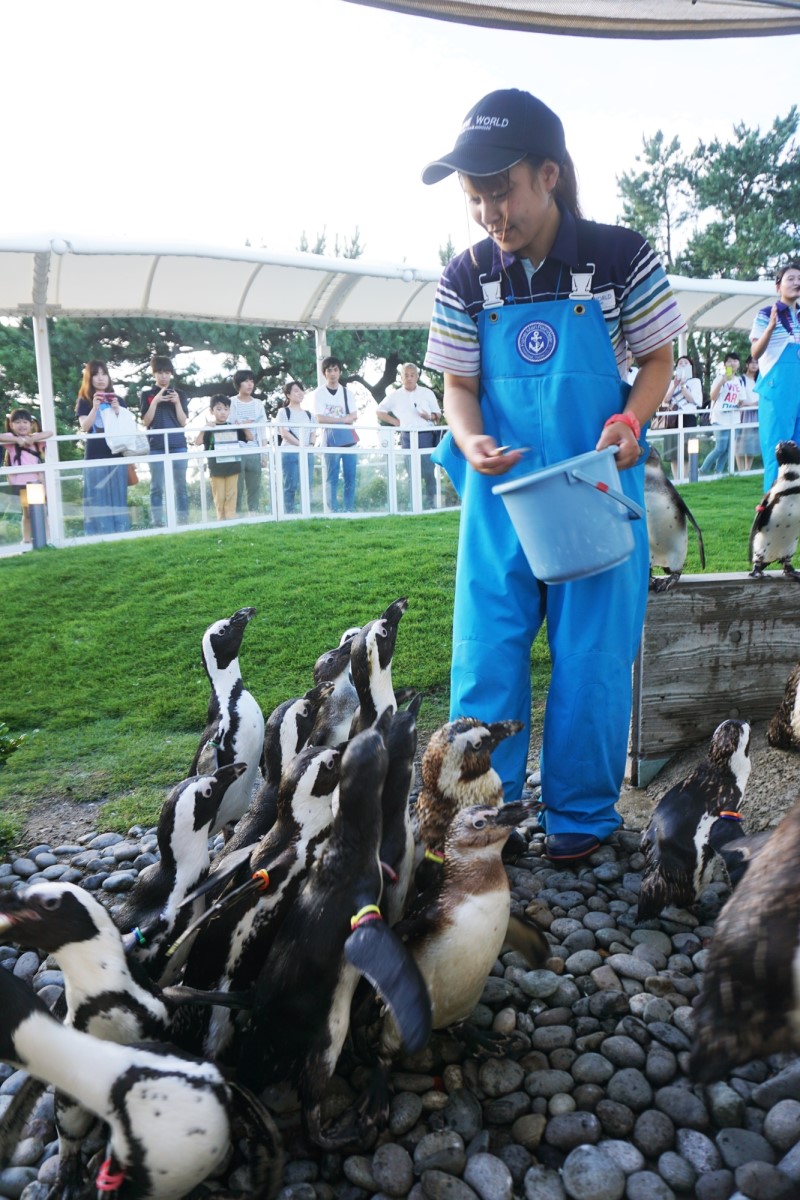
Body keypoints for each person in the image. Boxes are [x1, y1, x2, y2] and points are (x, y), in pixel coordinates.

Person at [422, 88, 683, 864]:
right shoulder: (464, 279)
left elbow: (658, 359)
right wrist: (469, 441)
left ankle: (581, 820)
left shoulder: (619, 256)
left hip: (595, 489)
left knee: (594, 658)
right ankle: (478, 822)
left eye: (499, 191)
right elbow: (458, 387)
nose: (488, 213)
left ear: (549, 175)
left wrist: (629, 422)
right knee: (486, 656)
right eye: (475, 198)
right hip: (500, 499)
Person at [750, 262, 800, 490]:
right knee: (777, 453)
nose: (797, 283)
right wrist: (770, 327)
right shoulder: (764, 314)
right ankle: (771, 510)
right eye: (791, 278)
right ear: (778, 286)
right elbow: (755, 353)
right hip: (776, 391)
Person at [75, 361, 132, 535]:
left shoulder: (118, 399)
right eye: (96, 374)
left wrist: (117, 410)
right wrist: (95, 407)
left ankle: (121, 532)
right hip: (95, 454)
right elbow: (85, 426)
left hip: (116, 453)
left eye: (103, 374)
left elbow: (127, 427)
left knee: (118, 495)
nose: (100, 378)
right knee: (96, 496)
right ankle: (97, 534)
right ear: (89, 378)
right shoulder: (84, 400)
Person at [377, 363, 442, 506]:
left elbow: (438, 414)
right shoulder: (395, 395)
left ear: (417, 377)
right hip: (407, 436)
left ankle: (432, 504)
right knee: (412, 473)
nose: (409, 378)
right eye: (406, 375)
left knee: (429, 472)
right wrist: (396, 422)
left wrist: (429, 417)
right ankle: (414, 504)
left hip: (425, 434)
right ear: (401, 377)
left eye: (412, 375)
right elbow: (379, 411)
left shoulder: (427, 392)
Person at [140, 356, 189, 526]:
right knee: (156, 487)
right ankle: (157, 522)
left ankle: (183, 521)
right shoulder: (147, 394)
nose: (164, 376)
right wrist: (155, 402)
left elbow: (183, 422)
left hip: (178, 445)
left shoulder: (180, 394)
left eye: (167, 373)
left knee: (181, 487)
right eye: (160, 372)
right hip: (156, 446)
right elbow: (146, 421)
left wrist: (176, 403)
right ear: (154, 374)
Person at [194, 395, 251, 521]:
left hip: (232, 464)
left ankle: (231, 517)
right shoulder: (209, 428)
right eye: (219, 409)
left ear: (229, 411)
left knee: (231, 493)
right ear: (211, 411)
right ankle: (221, 518)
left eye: (226, 409)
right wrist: (204, 429)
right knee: (219, 495)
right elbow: (197, 442)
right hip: (216, 466)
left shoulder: (232, 426)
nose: (223, 412)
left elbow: (249, 438)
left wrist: (242, 426)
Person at [313, 356, 359, 513]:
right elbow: (320, 418)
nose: (332, 373)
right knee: (332, 477)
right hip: (330, 440)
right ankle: (333, 510)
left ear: (340, 372)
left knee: (350, 477)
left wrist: (337, 420)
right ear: (324, 373)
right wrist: (342, 419)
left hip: (348, 440)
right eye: (329, 370)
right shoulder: (319, 393)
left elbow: (354, 416)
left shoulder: (347, 393)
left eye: (335, 370)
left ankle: (349, 509)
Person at [1, 409, 54, 544]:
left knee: (41, 512)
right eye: (17, 422)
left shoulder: (36, 439)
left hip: (36, 482)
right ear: (11, 425)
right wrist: (16, 439)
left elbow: (50, 433)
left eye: (25, 422)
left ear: (31, 424)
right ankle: (26, 539)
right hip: (20, 483)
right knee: (27, 513)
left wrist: (32, 438)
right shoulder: (11, 441)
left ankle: (47, 538)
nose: (22, 425)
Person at [229, 369, 268, 516]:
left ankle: (254, 514)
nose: (250, 384)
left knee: (254, 486)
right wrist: (242, 426)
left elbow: (262, 430)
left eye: (252, 381)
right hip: (237, 450)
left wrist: (264, 453)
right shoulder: (232, 402)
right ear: (239, 383)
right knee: (236, 486)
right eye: (246, 381)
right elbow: (230, 425)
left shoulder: (258, 404)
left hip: (254, 450)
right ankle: (236, 515)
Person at [699, 353, 744, 476]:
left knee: (728, 449)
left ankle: (718, 472)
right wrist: (723, 381)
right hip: (719, 418)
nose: (732, 363)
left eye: (735, 360)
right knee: (720, 447)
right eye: (729, 361)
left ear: (738, 364)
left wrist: (739, 403)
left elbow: (742, 399)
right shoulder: (720, 378)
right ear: (725, 364)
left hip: (734, 419)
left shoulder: (739, 381)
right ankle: (702, 470)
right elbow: (713, 396)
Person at [276, 381, 314, 513]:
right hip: (289, 452)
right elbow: (284, 433)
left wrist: (311, 445)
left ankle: (306, 513)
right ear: (288, 395)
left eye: (301, 390)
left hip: (307, 453)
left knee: (307, 484)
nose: (300, 393)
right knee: (290, 485)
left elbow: (313, 433)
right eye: (296, 391)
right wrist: (302, 445)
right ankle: (289, 513)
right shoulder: (283, 412)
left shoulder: (309, 414)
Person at [661, 354, 702, 476]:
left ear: (691, 366)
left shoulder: (695, 381)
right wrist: (675, 385)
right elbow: (665, 400)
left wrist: (683, 386)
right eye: (680, 363)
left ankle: (685, 476)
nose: (683, 365)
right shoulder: (671, 382)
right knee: (673, 450)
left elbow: (693, 399)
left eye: (686, 363)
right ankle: (676, 477)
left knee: (686, 449)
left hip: (688, 416)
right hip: (673, 417)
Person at [737, 354, 760, 472]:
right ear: (747, 364)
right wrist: (751, 404)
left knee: (751, 443)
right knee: (740, 442)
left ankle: (747, 469)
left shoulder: (760, 379)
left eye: (757, 362)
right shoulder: (741, 379)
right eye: (752, 362)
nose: (754, 365)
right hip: (744, 413)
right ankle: (740, 470)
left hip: (756, 413)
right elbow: (739, 398)